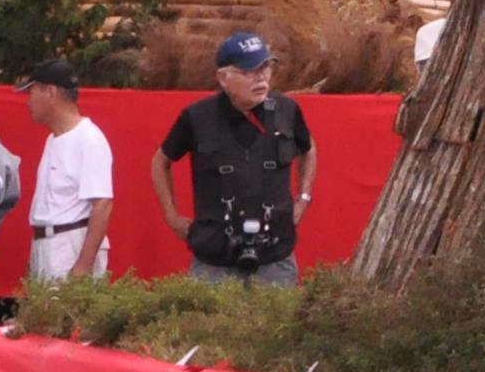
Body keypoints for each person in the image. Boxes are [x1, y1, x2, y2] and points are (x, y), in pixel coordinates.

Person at [156, 33, 316, 286]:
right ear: (224, 78)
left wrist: (304, 197)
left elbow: (308, 148)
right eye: (250, 71)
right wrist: (171, 216)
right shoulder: (197, 117)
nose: (261, 77)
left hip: (274, 256)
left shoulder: (287, 109)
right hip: (215, 258)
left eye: (266, 67)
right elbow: (160, 162)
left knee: (276, 325)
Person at [21, 60, 117, 284]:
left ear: (50, 92)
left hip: (70, 243)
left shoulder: (89, 139)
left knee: (66, 318)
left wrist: (82, 267)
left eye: (32, 92)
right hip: (48, 243)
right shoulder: (53, 139)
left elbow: (102, 204)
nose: (28, 102)